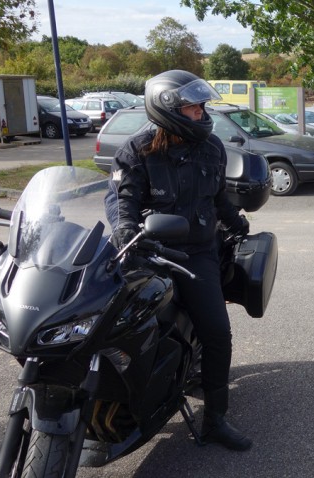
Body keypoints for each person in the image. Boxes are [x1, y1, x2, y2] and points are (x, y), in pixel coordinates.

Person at [106, 70, 253, 450]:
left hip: (197, 252)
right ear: (168, 110)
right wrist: (124, 231)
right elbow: (124, 202)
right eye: (193, 107)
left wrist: (237, 222)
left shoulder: (212, 148)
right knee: (111, 321)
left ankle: (216, 419)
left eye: (202, 106)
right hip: (147, 251)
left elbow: (218, 198)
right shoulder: (137, 150)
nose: (202, 113)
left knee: (217, 332)